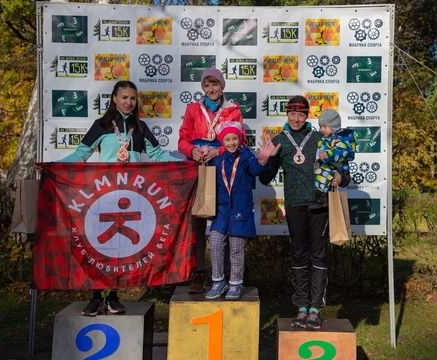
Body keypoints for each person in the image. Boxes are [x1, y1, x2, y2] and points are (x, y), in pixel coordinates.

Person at [60, 80, 181, 316]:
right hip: (103, 196)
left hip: (132, 196)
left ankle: (113, 296)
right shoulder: (102, 125)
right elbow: (81, 154)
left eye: (133, 98)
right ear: (114, 98)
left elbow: (157, 155)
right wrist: (54, 166)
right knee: (100, 250)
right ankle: (96, 296)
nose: (129, 102)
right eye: (124, 97)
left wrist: (187, 164)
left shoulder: (140, 126)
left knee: (121, 250)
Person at [259, 95, 351, 330]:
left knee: (318, 256)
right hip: (295, 206)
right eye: (292, 113)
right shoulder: (280, 140)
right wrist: (266, 160)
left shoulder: (320, 137)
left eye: (301, 114)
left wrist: (342, 178)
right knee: (299, 254)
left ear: (307, 115)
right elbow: (265, 178)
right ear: (287, 115)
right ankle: (301, 306)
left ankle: (316, 308)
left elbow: (343, 168)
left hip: (319, 204)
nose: (296, 118)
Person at [178, 68, 244, 294]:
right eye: (207, 85)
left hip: (225, 169)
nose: (211, 89)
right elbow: (182, 140)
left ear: (222, 85)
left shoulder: (233, 109)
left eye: (215, 84)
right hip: (200, 169)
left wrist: (219, 151)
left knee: (224, 223)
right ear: (202, 88)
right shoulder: (193, 109)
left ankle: (226, 275)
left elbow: (239, 140)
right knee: (197, 222)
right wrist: (193, 151)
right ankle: (199, 273)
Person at [205, 122, 279, 300]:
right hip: (222, 210)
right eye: (227, 139)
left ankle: (236, 284)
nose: (231, 143)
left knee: (236, 249)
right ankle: (218, 281)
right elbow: (209, 179)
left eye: (235, 138)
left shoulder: (246, 157)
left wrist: (263, 160)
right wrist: (203, 158)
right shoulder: (218, 159)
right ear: (222, 141)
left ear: (240, 139)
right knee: (215, 243)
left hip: (240, 211)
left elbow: (256, 170)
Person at [312, 108, 357, 208]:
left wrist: (328, 155)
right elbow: (320, 149)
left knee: (321, 173)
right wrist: (317, 158)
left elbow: (342, 152)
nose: (321, 129)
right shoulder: (324, 139)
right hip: (328, 166)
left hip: (338, 168)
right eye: (320, 126)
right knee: (319, 173)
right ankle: (320, 196)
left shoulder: (342, 137)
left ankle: (321, 198)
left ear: (334, 126)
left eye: (324, 126)